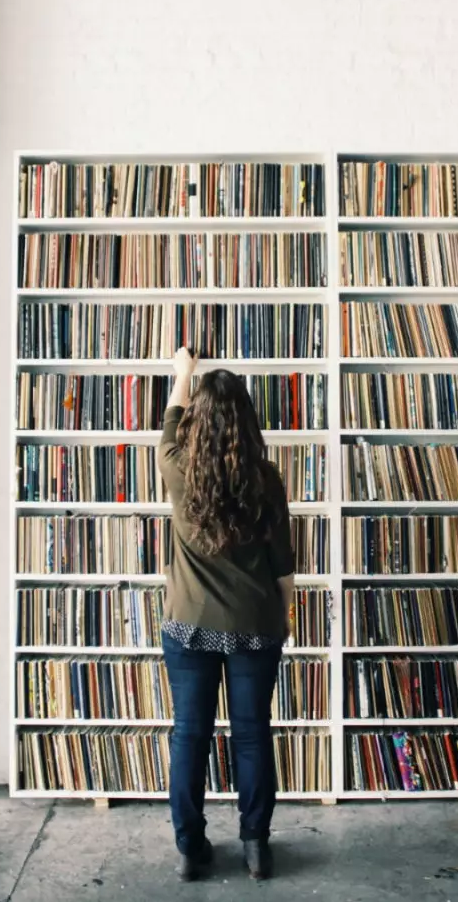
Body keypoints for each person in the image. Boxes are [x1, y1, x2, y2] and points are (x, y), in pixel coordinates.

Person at [157, 346, 294, 881]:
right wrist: (279, 621)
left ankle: (191, 850)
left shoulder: (177, 469)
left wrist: (183, 373)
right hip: (254, 627)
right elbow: (284, 569)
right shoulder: (267, 479)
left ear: (199, 421)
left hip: (190, 627)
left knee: (189, 734)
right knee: (253, 734)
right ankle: (256, 847)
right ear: (247, 419)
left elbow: (169, 423)